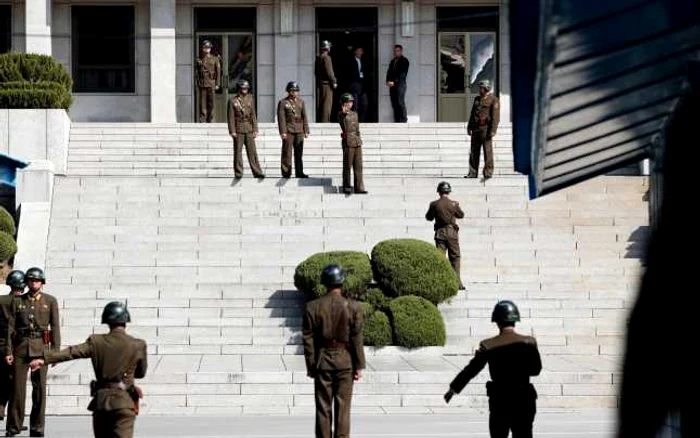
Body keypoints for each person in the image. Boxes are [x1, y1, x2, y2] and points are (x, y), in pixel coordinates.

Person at [29, 302, 147, 438]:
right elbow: (141, 373)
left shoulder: (96, 341)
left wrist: (45, 359)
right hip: (124, 402)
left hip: (101, 402)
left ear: (106, 320)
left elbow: (72, 352)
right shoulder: (138, 345)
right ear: (126, 320)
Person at [444, 300, 542, 438]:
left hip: (500, 401)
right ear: (515, 320)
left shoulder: (488, 345)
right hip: (524, 400)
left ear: (497, 322)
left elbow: (472, 370)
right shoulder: (529, 342)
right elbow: (536, 370)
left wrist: (453, 388)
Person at [303, 264, 365, 438]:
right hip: (346, 362)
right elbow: (356, 339)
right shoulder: (354, 307)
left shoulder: (312, 307)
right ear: (342, 282)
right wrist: (359, 365)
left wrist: (311, 365)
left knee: (323, 408)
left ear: (325, 282)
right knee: (343, 409)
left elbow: (308, 339)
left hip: (323, 361)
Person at [4, 267, 60, 437]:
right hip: (20, 347)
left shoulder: (50, 301)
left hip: (41, 349)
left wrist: (55, 352)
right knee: (17, 390)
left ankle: (37, 427)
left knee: (39, 390)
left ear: (42, 283)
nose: (34, 283)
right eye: (30, 280)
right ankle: (13, 426)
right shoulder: (18, 301)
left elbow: (55, 327)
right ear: (26, 282)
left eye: (37, 280)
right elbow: (10, 328)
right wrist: (8, 351)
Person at [425, 181, 465, 290]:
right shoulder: (454, 204)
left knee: (440, 258)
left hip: (440, 233)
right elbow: (461, 215)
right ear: (449, 191)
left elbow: (428, 217)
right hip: (452, 233)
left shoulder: (434, 204)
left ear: (439, 192)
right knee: (455, 257)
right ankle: (457, 283)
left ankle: (441, 282)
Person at [0, 271, 26, 430]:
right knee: (15, 385)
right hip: (16, 346)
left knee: (2, 380)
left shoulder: (1, 300)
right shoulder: (23, 302)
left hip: (0, 344)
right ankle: (13, 420)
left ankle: (2, 411)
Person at [228, 79, 265, 179]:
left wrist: (255, 129)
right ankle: (238, 172)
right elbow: (231, 117)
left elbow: (253, 115)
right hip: (238, 129)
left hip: (249, 128)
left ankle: (257, 172)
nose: (245, 90)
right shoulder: (233, 101)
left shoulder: (250, 99)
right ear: (239, 88)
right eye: (243, 88)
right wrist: (232, 131)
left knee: (252, 152)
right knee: (238, 152)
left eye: (246, 88)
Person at [466, 79, 500, 179]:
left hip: (486, 129)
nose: (479, 89)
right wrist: (469, 126)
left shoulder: (493, 100)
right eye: (479, 87)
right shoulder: (477, 99)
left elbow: (495, 117)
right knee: (473, 152)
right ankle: (472, 172)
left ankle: (488, 172)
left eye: (481, 88)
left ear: (486, 88)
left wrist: (493, 130)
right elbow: (473, 114)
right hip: (476, 129)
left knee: (487, 151)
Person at [277, 81, 310, 178]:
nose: (295, 93)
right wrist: (283, 132)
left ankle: (299, 172)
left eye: (296, 91)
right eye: (293, 91)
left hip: (299, 130)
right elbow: (281, 119)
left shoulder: (301, 102)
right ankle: (286, 172)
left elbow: (304, 117)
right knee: (287, 152)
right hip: (289, 130)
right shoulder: (283, 103)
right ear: (289, 91)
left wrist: (306, 130)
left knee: (299, 153)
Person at [338, 93, 367, 195]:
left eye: (351, 102)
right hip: (348, 142)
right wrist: (343, 112)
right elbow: (342, 121)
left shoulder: (355, 114)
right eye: (349, 102)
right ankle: (346, 186)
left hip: (356, 141)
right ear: (344, 103)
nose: (351, 104)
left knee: (358, 166)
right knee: (347, 165)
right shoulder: (341, 114)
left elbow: (357, 129)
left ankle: (359, 187)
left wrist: (359, 139)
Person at [196, 40, 221, 123]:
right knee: (202, 103)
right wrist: (198, 82)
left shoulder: (215, 59)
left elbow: (218, 72)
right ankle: (203, 119)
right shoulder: (199, 59)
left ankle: (211, 119)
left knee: (211, 102)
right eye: (205, 48)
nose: (207, 49)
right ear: (202, 48)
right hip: (202, 83)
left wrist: (217, 83)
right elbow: (197, 72)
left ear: (210, 49)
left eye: (208, 48)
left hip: (211, 82)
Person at [386, 44, 410, 123]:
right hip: (392, 85)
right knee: (394, 103)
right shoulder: (393, 61)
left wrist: (394, 81)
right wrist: (388, 81)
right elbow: (389, 72)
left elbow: (402, 74)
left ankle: (403, 119)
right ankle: (397, 120)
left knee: (400, 101)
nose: (396, 52)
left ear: (401, 51)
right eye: (395, 51)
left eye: (398, 51)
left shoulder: (404, 61)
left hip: (400, 85)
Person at [315, 40, 337, 123]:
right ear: (327, 48)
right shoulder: (327, 57)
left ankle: (322, 121)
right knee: (327, 105)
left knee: (322, 104)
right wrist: (334, 81)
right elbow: (329, 72)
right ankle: (325, 122)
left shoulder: (319, 57)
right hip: (327, 84)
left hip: (321, 84)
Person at [347, 47, 367, 122]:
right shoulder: (351, 61)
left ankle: (361, 120)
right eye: (358, 51)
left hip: (362, 86)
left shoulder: (363, 61)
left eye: (361, 51)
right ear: (355, 52)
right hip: (354, 85)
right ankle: (354, 121)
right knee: (355, 105)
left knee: (364, 104)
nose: (359, 53)